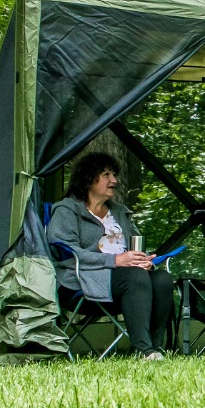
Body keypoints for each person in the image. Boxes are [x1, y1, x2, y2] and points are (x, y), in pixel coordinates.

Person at [47, 151, 173, 360]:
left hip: (126, 282)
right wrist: (115, 260)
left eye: (114, 175)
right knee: (135, 276)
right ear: (88, 178)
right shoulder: (67, 210)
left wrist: (143, 260)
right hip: (81, 282)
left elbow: (135, 245)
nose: (113, 180)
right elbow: (65, 251)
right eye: (106, 175)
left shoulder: (120, 212)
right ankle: (143, 351)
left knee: (162, 279)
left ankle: (155, 348)